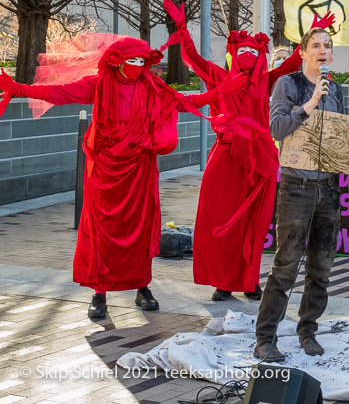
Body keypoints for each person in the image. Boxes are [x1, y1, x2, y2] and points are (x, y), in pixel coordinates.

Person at [0, 34, 244, 319]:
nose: (138, 66)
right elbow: (59, 93)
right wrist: (18, 88)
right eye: (132, 60)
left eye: (142, 61)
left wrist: (221, 91)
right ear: (116, 62)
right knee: (102, 232)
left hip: (140, 168)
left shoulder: (151, 84)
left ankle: (142, 287)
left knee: (139, 230)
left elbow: (183, 101)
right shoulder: (99, 84)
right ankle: (99, 292)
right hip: (106, 171)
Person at [161, 0, 331, 301]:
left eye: (254, 52)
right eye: (242, 52)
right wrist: (182, 29)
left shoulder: (266, 81)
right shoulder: (218, 76)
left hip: (260, 159)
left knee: (256, 222)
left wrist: (308, 34)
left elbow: (292, 64)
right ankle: (223, 281)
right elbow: (193, 59)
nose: (248, 57)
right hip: (226, 157)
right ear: (233, 54)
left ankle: (250, 280)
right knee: (221, 220)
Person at [254, 27, 349, 362]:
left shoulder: (336, 90)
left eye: (328, 46)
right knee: (285, 266)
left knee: (321, 268)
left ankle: (307, 330)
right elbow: (277, 128)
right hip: (296, 186)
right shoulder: (288, 85)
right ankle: (265, 337)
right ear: (303, 52)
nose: (323, 51)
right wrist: (309, 104)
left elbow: (345, 138)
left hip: (329, 187)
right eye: (316, 46)